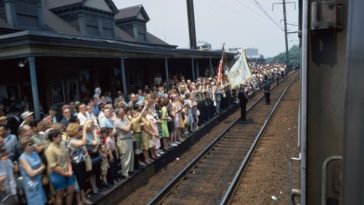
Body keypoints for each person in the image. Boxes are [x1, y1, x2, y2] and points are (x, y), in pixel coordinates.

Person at [45, 129, 74, 205]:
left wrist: (70, 170)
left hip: (68, 171)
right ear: (53, 138)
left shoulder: (62, 145)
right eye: (59, 136)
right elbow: (53, 166)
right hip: (57, 174)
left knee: (70, 191)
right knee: (59, 195)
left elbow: (67, 158)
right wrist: (65, 173)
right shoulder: (49, 150)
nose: (61, 137)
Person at [18, 137, 47, 205]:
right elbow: (31, 174)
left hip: (39, 182)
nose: (32, 146)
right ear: (24, 146)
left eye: (32, 144)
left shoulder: (35, 153)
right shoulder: (22, 158)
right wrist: (40, 169)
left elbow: (43, 166)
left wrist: (37, 170)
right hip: (31, 186)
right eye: (29, 144)